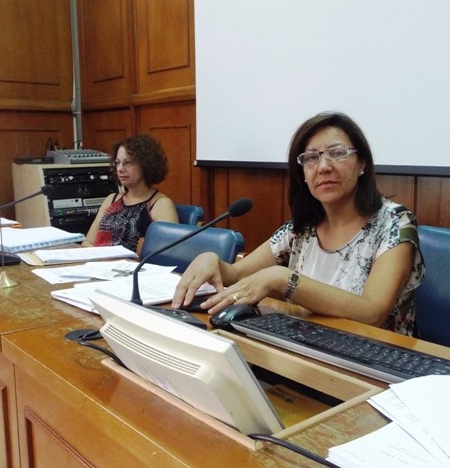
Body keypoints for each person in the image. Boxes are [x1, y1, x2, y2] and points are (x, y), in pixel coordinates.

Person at [172, 112, 425, 336]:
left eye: (337, 153)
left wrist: (284, 279)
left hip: (377, 360)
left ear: (362, 164)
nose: (323, 167)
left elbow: (373, 313)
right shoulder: (300, 229)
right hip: (307, 348)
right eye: (311, 158)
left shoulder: (395, 223)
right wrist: (213, 261)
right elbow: (237, 274)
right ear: (303, 173)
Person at [84, 134, 178, 254]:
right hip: (98, 262)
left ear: (145, 164)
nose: (120, 169)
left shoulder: (161, 204)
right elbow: (88, 243)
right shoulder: (111, 199)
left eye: (127, 162)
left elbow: (167, 254)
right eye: (117, 163)